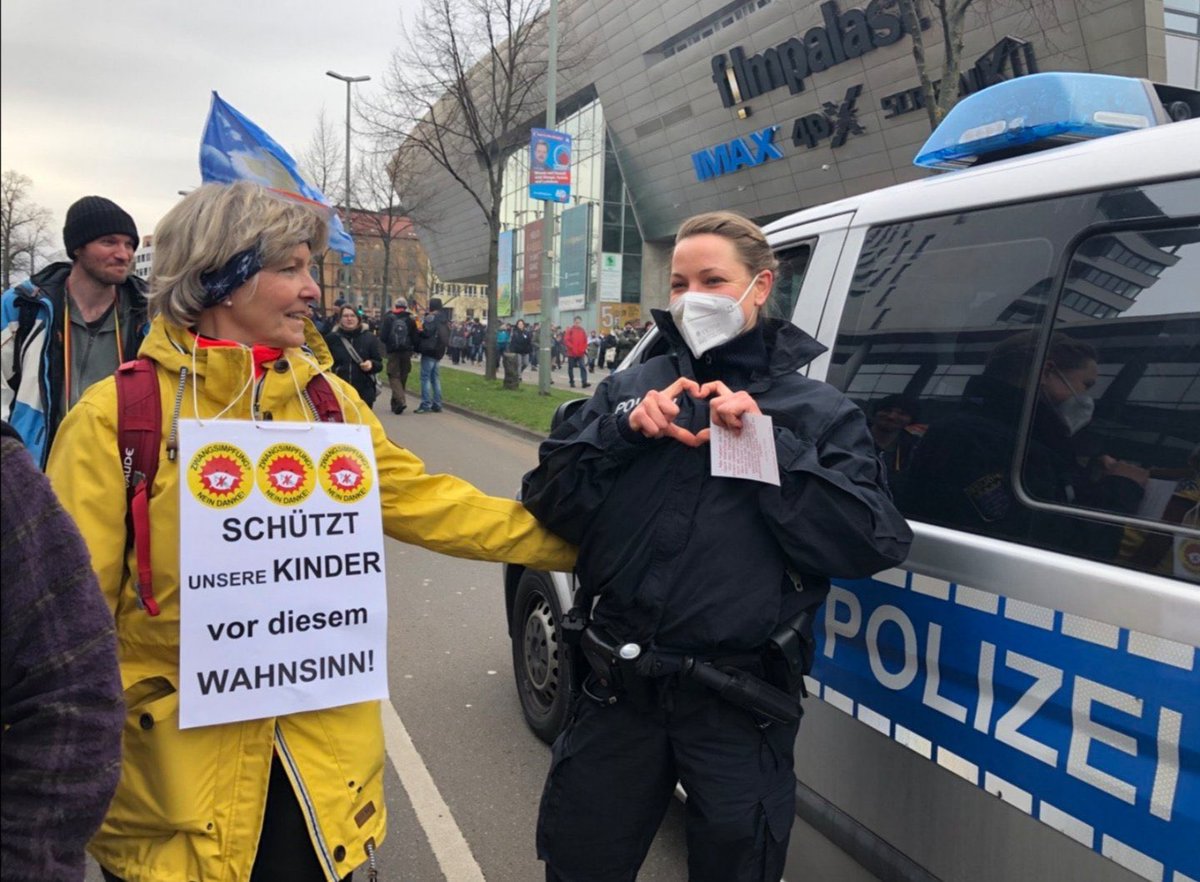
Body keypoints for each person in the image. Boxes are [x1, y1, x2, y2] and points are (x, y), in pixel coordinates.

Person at [44, 181, 576, 882]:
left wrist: (577, 544)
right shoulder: (118, 416)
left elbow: (425, 501)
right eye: (290, 269)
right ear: (221, 279)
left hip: (318, 783)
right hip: (174, 793)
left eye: (311, 270)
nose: (313, 291)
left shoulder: (329, 401)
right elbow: (58, 627)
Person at [521, 210, 911, 882]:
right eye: (678, 282)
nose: (691, 297)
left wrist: (768, 447)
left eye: (712, 279)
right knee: (579, 863)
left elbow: (870, 540)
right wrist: (619, 431)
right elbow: (548, 501)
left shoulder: (817, 413)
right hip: (618, 693)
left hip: (738, 704)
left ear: (760, 287)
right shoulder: (629, 388)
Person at [1, 420, 124, 882]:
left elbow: (75, 679)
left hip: (320, 787)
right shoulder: (106, 417)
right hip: (168, 792)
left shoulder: (337, 407)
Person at [901, 331, 1147, 561]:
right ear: (1045, 371)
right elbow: (1054, 548)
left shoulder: (1025, 439)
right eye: (1086, 385)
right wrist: (1122, 488)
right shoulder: (981, 440)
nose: (1087, 399)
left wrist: (1093, 483)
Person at [1, 195, 148, 468]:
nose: (123, 254)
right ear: (77, 248)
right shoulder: (24, 307)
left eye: (129, 244)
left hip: (118, 471)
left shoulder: (147, 313)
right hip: (39, 473)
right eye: (109, 242)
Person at [325, 304, 385, 409]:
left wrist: (371, 364)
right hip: (339, 392)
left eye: (352, 316)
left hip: (363, 393)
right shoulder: (331, 339)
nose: (349, 319)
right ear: (340, 319)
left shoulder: (369, 338)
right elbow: (324, 363)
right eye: (345, 316)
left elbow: (379, 364)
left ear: (358, 319)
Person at [868, 394, 921, 498]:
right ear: (876, 412)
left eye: (902, 413)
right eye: (887, 410)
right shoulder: (851, 437)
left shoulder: (913, 450)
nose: (891, 416)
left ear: (911, 419)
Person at [379, 297, 419, 414]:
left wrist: (388, 345)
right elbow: (415, 337)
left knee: (393, 376)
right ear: (406, 307)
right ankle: (395, 405)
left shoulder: (388, 318)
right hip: (406, 352)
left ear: (395, 306)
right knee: (403, 376)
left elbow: (383, 337)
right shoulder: (411, 319)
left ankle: (400, 401)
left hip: (393, 352)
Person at [415, 297, 450, 413]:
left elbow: (426, 332)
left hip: (429, 350)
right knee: (435, 378)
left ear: (431, 306)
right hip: (439, 351)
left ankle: (425, 404)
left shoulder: (431, 318)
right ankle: (437, 403)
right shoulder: (444, 319)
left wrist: (419, 328)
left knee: (425, 378)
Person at [563, 316, 590, 388]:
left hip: (580, 353)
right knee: (570, 367)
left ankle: (584, 382)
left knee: (582, 366)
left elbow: (585, 341)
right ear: (574, 322)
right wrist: (572, 348)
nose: (578, 324)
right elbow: (566, 340)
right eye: (576, 322)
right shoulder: (570, 330)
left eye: (579, 322)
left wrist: (583, 349)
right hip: (571, 353)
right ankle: (572, 382)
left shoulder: (582, 330)